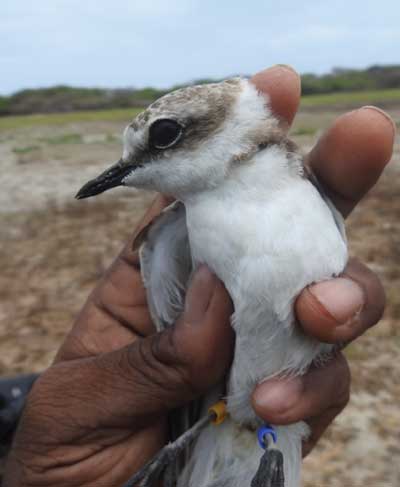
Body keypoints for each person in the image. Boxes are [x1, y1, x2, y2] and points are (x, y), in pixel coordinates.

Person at [3, 65, 394, 487]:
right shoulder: (176, 231)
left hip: (257, 428)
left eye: (162, 137)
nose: (123, 171)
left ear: (229, 124)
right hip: (207, 421)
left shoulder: (302, 196)